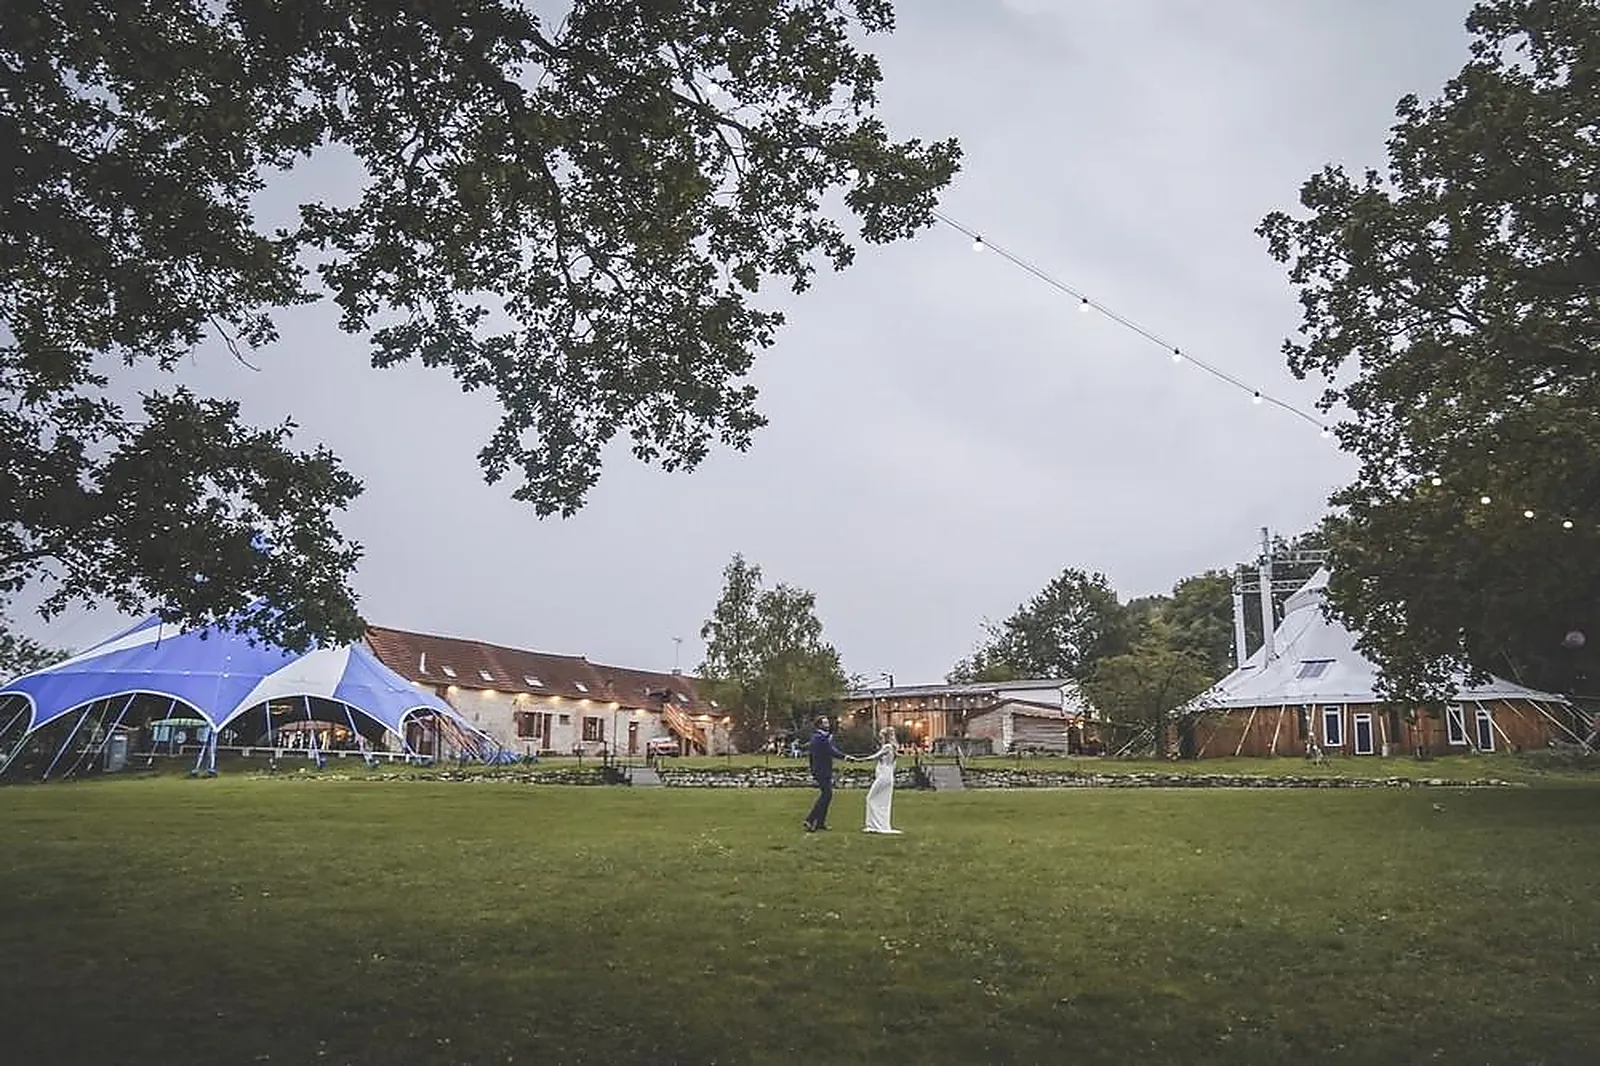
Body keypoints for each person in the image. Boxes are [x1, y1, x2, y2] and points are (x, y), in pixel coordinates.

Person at [803, 715, 849, 832]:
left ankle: (820, 823)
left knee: (827, 795)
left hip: (821, 769)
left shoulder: (819, 737)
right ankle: (810, 819)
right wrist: (845, 757)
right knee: (826, 795)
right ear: (819, 725)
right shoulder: (820, 738)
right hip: (821, 770)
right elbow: (831, 751)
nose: (828, 725)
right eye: (825, 723)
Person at [863, 726, 903, 834]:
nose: (880, 739)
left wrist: (860, 759)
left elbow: (875, 756)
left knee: (870, 798)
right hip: (887, 774)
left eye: (881, 737)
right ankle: (874, 824)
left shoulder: (888, 747)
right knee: (880, 800)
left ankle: (875, 825)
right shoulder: (891, 747)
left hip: (884, 775)